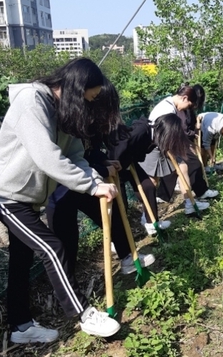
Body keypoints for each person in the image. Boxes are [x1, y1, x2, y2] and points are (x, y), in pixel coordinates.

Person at [0, 57, 121, 344]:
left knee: (22, 260)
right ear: (75, 87)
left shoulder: (65, 112)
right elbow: (46, 157)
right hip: (5, 195)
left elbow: (75, 157)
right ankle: (84, 314)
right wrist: (90, 187)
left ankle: (21, 327)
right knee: (52, 247)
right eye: (89, 97)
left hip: (26, 197)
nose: (90, 105)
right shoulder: (32, 102)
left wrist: (96, 182)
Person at [46, 77, 156, 270]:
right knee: (66, 241)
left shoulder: (93, 124)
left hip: (85, 180)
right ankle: (67, 290)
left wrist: (103, 161)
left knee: (113, 215)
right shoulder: (71, 119)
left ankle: (128, 258)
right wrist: (101, 169)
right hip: (60, 186)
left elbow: (88, 151)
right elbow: (66, 160)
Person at [140, 85, 218, 215]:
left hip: (165, 144)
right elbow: (164, 133)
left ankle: (189, 204)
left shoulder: (173, 106)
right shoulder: (167, 110)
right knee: (152, 181)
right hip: (155, 146)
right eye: (188, 105)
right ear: (184, 98)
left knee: (183, 168)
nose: (187, 109)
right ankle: (147, 217)